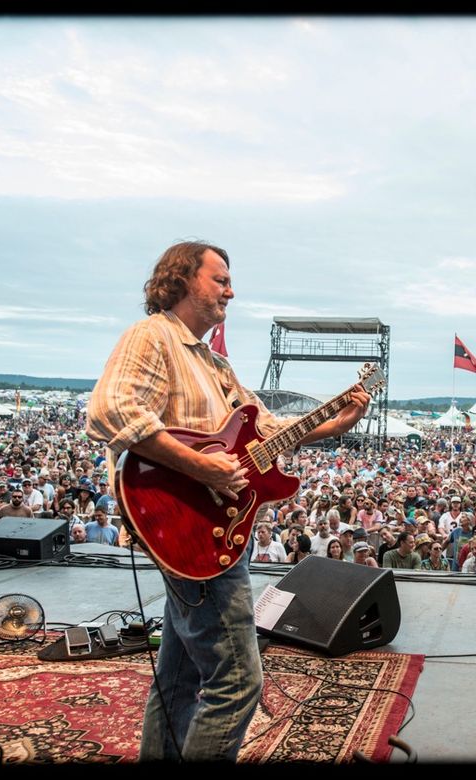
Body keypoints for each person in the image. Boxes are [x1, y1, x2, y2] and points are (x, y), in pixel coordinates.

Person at [86, 241, 369, 762]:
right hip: (192, 528)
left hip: (213, 527)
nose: (230, 291)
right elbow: (110, 410)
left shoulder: (214, 363)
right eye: (220, 280)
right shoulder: (153, 337)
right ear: (182, 280)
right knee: (237, 684)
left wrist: (335, 422)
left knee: (178, 678)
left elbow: (266, 429)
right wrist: (199, 465)